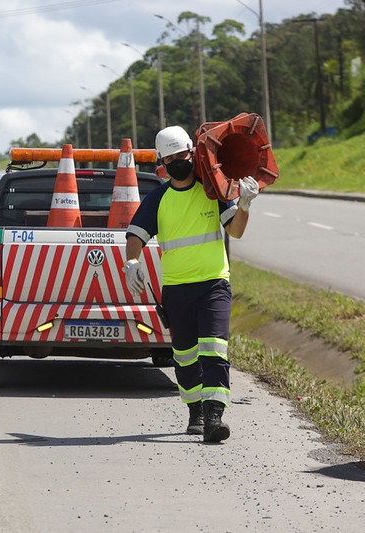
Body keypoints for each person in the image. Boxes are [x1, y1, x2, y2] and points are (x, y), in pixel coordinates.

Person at [122, 125, 259, 443]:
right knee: (184, 356)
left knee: (214, 350)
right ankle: (195, 410)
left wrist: (246, 205)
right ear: (162, 163)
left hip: (213, 284)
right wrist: (132, 262)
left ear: (192, 154)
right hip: (177, 289)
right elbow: (135, 236)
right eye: (170, 159)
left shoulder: (213, 191)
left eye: (182, 155)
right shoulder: (158, 199)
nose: (178, 161)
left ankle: (214, 416)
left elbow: (235, 231)